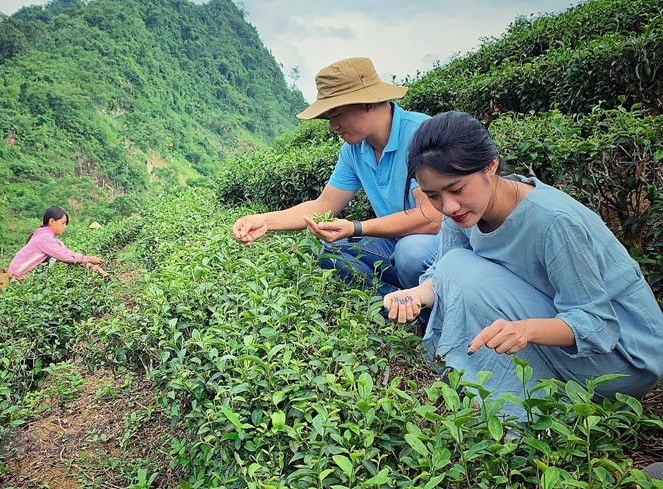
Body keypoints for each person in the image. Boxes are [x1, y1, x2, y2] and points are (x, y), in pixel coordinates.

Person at [384, 111, 663, 419]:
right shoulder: (462, 213)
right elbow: (443, 270)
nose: (448, 206)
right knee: (455, 265)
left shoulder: (553, 221)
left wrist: (525, 330)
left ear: (490, 166)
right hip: (558, 323)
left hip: (624, 357)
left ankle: (532, 415)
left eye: (457, 189)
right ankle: (515, 396)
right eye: (433, 196)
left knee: (466, 275)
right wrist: (416, 295)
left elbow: (597, 325)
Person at [231, 57, 441, 295]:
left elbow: (431, 218)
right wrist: (264, 221)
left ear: (367, 103)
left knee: (411, 252)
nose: (332, 126)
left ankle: (424, 305)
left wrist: (356, 228)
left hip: (436, 245)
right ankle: (390, 304)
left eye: (337, 114)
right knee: (321, 245)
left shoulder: (420, 134)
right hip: (394, 241)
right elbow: (324, 205)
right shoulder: (355, 150)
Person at [8, 206, 108, 280]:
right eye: (63, 223)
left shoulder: (52, 240)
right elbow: (65, 257)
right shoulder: (43, 238)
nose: (65, 227)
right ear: (52, 221)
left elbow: (69, 255)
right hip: (17, 278)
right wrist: (88, 259)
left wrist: (96, 268)